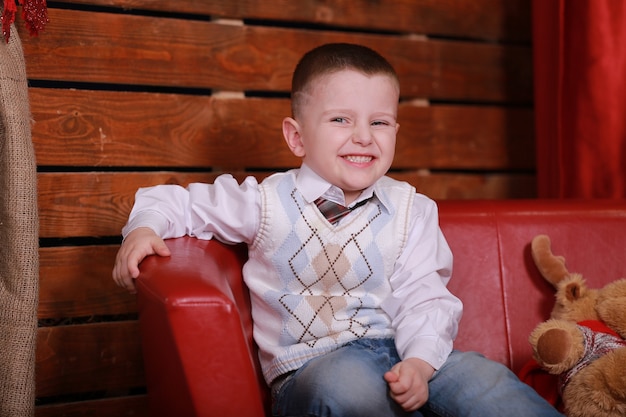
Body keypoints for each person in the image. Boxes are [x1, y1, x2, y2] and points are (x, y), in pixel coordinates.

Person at [113, 43, 563, 417]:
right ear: (297, 137)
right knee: (347, 388)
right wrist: (144, 227)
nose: (363, 136)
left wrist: (422, 364)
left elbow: (425, 297)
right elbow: (176, 200)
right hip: (311, 369)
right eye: (340, 120)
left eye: (379, 122)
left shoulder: (411, 209)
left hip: (403, 352)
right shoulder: (268, 202)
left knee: (484, 381)